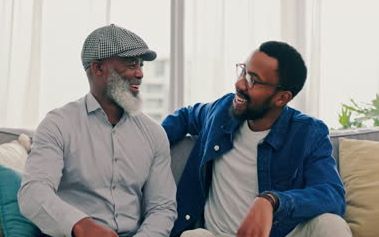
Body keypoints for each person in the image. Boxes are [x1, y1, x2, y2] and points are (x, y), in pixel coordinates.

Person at [162, 41, 351, 237]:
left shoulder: (308, 133)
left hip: (279, 233)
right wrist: (147, 147)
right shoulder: (221, 110)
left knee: (331, 224)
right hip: (218, 234)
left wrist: (272, 201)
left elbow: (332, 195)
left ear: (282, 98)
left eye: (253, 80)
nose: (239, 84)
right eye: (243, 71)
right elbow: (184, 116)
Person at [18, 24, 177, 237]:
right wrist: (81, 225)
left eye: (141, 65)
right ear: (98, 68)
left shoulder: (154, 134)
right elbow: (33, 193)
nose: (139, 73)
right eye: (131, 64)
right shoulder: (58, 124)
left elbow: (162, 208)